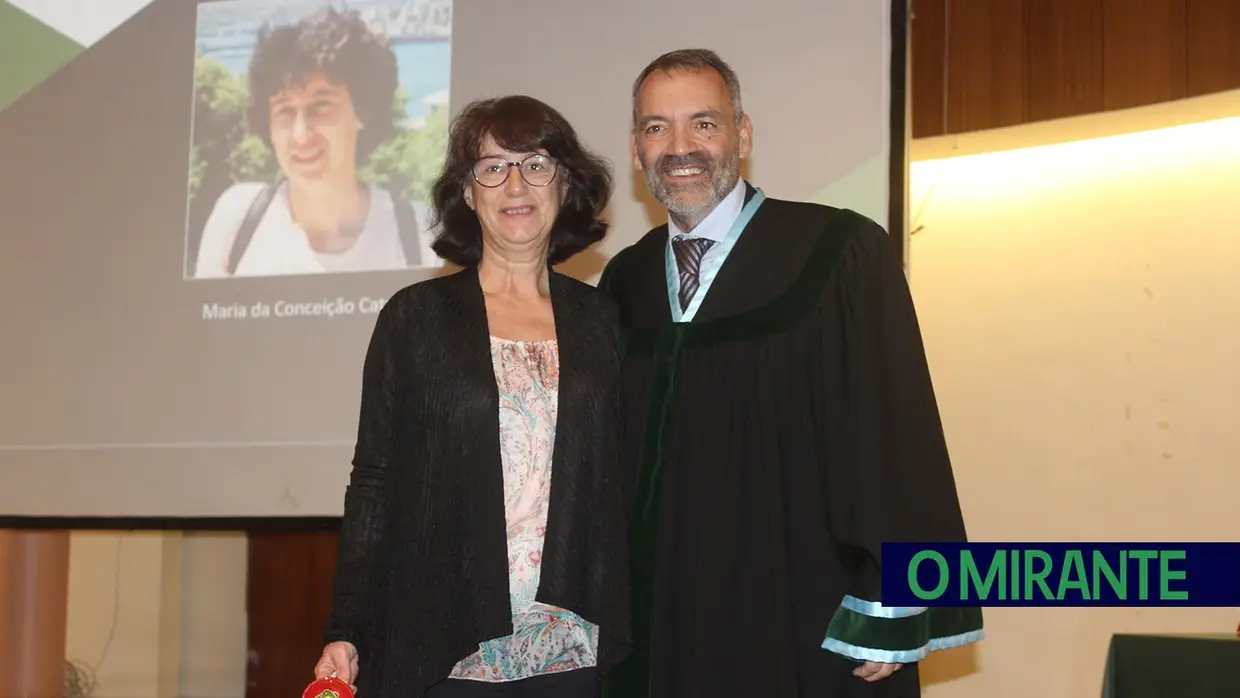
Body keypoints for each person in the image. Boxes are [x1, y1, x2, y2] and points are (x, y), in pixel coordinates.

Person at [596, 49, 984, 698]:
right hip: (660, 619)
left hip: (798, 608)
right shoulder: (623, 283)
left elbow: (892, 430)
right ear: (636, 150)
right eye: (657, 128)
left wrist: (892, 597)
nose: (680, 147)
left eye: (704, 123)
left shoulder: (838, 252)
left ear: (742, 137)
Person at [314, 95, 631, 698]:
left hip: (568, 646)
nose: (516, 183)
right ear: (467, 191)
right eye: (493, 167)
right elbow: (374, 482)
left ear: (564, 182)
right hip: (444, 642)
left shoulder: (602, 323)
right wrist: (347, 627)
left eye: (536, 164)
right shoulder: (416, 319)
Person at [193, 7, 434, 279]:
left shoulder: (420, 236)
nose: (301, 134)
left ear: (362, 112)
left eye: (320, 106)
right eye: (284, 110)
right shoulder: (236, 220)